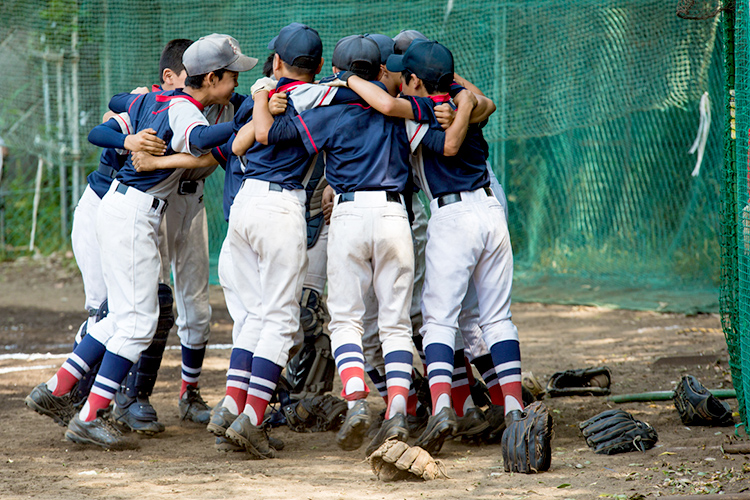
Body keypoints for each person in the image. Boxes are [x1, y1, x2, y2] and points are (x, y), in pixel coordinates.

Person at [24, 34, 256, 449]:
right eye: (231, 76)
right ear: (210, 77)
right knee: (138, 321)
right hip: (132, 214)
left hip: (134, 210)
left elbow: (125, 103)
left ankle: (60, 388)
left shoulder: (158, 99)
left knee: (124, 315)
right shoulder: (184, 107)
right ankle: (92, 414)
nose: (237, 82)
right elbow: (201, 141)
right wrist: (245, 126)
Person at [343, 40, 539, 461]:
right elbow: (481, 100)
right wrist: (465, 99)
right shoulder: (462, 102)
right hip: (491, 212)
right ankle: (514, 408)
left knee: (437, 321)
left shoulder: (419, 112)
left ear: (413, 79)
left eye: (406, 78)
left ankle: (445, 408)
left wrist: (350, 79)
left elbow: (405, 116)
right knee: (496, 317)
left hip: (454, 217)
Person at [256, 34, 429, 456]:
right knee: (395, 324)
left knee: (347, 321)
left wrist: (265, 98)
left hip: (349, 215)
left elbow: (272, 135)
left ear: (338, 72)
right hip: (395, 216)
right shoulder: (401, 109)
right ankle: (398, 414)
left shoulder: (333, 110)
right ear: (381, 71)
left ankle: (355, 402)